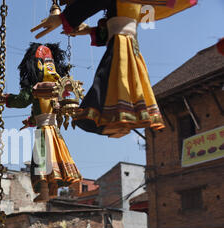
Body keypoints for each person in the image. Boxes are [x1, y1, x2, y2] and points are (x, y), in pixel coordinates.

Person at [31, 0, 197, 138]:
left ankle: (114, 123)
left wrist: (64, 18)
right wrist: (87, 30)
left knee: (105, 86)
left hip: (121, 46)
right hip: (125, 44)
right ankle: (115, 123)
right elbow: (120, 19)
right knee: (109, 86)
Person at [3, 43, 82, 202]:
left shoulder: (39, 87)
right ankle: (50, 192)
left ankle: (46, 191)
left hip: (45, 129)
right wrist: (31, 120)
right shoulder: (55, 87)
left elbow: (23, 100)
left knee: (41, 162)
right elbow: (42, 109)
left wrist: (6, 98)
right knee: (49, 161)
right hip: (53, 129)